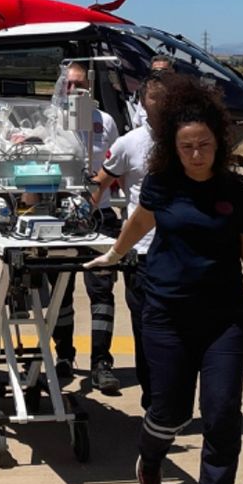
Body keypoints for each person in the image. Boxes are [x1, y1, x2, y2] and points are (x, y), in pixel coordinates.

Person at [85, 72, 243, 484]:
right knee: (170, 411)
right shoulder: (162, 184)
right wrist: (114, 254)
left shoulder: (239, 190)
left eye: (204, 145)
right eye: (186, 146)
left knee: (222, 413)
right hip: (167, 314)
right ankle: (152, 455)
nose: (196, 154)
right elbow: (140, 221)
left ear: (220, 142)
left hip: (225, 319)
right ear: (172, 146)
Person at [90, 76, 160, 409]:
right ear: (143, 103)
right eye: (156, 98)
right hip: (142, 252)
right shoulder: (129, 143)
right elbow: (100, 183)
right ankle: (153, 400)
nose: (164, 104)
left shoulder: (188, 140)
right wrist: (81, 217)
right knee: (145, 328)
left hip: (180, 251)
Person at [54, 61, 120, 391]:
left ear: (89, 87)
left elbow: (117, 165)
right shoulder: (51, 121)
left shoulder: (104, 122)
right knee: (59, 289)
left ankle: (101, 361)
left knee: (102, 289)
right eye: (69, 85)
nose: (74, 91)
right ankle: (64, 354)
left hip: (99, 215)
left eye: (80, 85)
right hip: (60, 216)